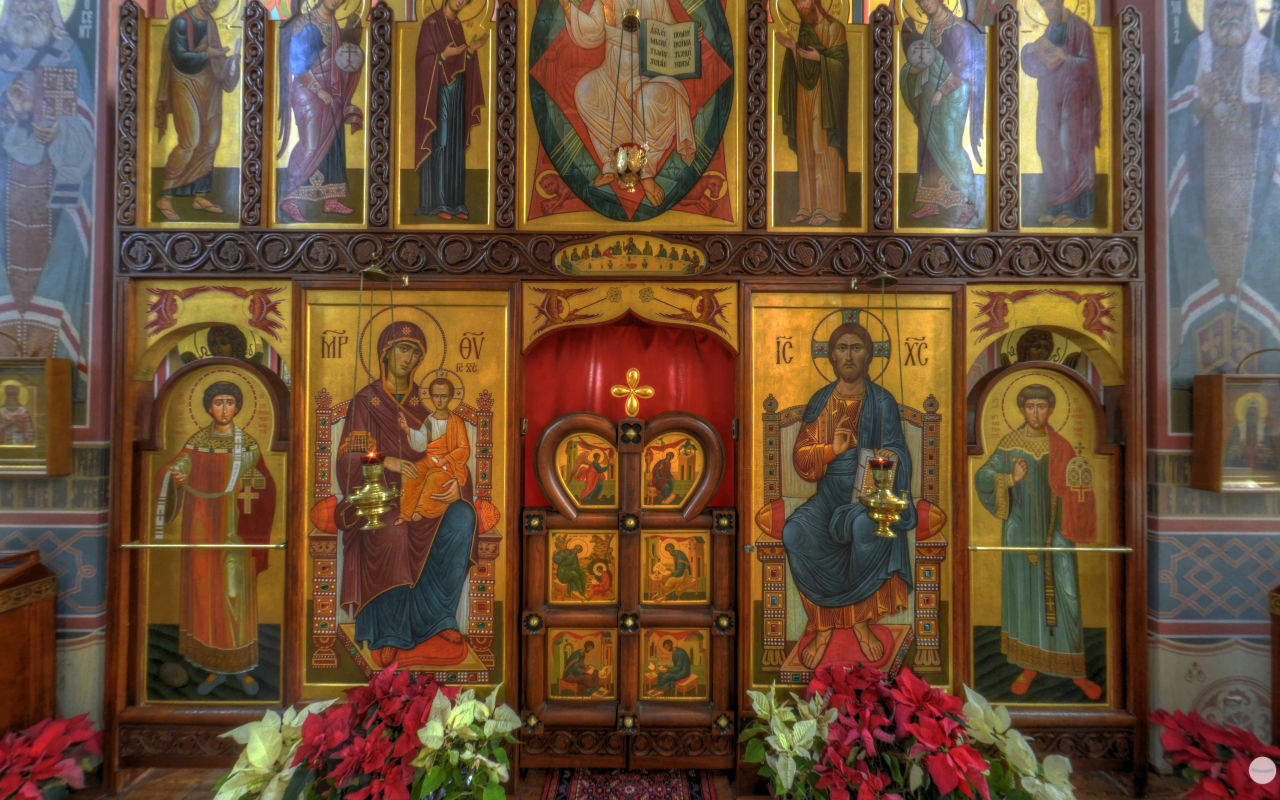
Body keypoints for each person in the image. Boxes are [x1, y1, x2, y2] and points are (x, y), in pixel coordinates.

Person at [336, 322, 478, 669]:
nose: (409, 358)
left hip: (430, 491)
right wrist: (385, 461)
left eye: (415, 353)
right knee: (392, 531)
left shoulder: (426, 402)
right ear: (385, 353)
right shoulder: (365, 402)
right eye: (403, 349)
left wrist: (457, 485)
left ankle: (439, 618)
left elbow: (452, 452)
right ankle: (390, 633)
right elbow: (347, 460)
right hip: (380, 496)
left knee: (463, 516)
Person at [781, 321, 917, 669]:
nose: (849, 355)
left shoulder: (882, 401)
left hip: (867, 493)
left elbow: (899, 451)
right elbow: (802, 462)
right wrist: (831, 449)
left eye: (856, 348)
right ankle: (823, 625)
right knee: (794, 531)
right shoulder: (822, 400)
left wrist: (884, 460)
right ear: (830, 355)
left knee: (863, 528)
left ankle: (860, 623)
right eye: (842, 348)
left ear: (869, 354)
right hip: (828, 495)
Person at [1167, 0, 1280, 386]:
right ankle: (1201, 354)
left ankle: (1264, 355)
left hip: (1257, 188)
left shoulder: (1270, 54)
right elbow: (1174, 122)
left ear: (1251, 15)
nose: (1228, 18)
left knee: (1258, 256)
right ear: (1208, 14)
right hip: (1207, 188)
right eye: (1220, 12)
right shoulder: (1195, 55)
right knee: (1210, 258)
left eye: (1237, 11)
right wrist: (1200, 104)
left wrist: (1274, 100)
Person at [974, 384, 1101, 700]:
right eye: (1029, 406)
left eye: (1041, 406)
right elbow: (982, 476)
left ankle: (1075, 669)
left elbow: (1078, 487)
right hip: (1020, 532)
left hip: (1057, 531)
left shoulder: (1062, 446)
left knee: (1066, 594)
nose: (1035, 413)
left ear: (1051, 410)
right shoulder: (1009, 444)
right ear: (1021, 410)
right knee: (1025, 596)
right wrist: (1010, 478)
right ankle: (1028, 666)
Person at [154, 381, 276, 696]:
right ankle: (212, 667)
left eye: (229, 402)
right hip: (201, 530)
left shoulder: (247, 445)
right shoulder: (197, 442)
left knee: (234, 592)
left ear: (238, 407)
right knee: (204, 591)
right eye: (218, 402)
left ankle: (240, 667)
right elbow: (175, 467)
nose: (224, 409)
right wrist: (176, 477)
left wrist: (255, 503)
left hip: (237, 532)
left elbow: (265, 484)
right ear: (208, 407)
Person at [0, 0, 94, 379]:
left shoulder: (67, 56)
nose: (28, 7)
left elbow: (86, 128)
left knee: (53, 277)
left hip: (56, 200)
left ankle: (56, 377)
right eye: (20, 1)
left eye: (37, 1)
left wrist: (57, 129)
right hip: (5, 197)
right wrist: (11, 114)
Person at [558, 0, 696, 207]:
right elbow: (592, 33)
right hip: (610, 78)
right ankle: (613, 163)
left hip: (650, 78)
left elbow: (670, 33)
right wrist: (567, 7)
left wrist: (689, 38)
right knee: (585, 91)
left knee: (648, 99)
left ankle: (646, 172)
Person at [276, 0, 364, 223]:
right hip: (308, 92)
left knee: (334, 142)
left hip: (331, 94)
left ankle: (331, 199)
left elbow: (339, 60)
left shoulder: (333, 24)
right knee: (311, 144)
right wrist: (319, 90)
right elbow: (298, 66)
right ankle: (290, 198)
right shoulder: (306, 24)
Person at [900, 0, 985, 227]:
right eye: (920, 2)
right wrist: (913, 69)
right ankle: (931, 201)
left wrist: (942, 91)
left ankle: (968, 203)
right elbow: (924, 61)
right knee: (927, 144)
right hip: (930, 93)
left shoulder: (959, 28)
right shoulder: (929, 28)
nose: (925, 4)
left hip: (953, 94)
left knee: (950, 146)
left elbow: (964, 66)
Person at [154, 0, 240, 221]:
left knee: (210, 140)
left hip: (209, 86)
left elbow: (216, 60)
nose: (213, 2)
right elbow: (180, 57)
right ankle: (165, 197)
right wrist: (207, 54)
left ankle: (200, 195)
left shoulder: (210, 22)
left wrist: (230, 62)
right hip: (184, 84)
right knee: (189, 141)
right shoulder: (181, 22)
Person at [1020, 0, 1100, 227]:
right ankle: (1056, 206)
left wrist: (1063, 56)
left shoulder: (1081, 28)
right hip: (1051, 99)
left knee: (1070, 148)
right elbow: (1042, 58)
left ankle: (1075, 209)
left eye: (1050, 5)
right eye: (1043, 6)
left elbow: (1089, 66)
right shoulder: (1050, 30)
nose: (1047, 10)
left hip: (1074, 102)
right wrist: (1032, 53)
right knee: (1047, 145)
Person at [776, 0, 849, 226]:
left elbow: (841, 66)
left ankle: (826, 207)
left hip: (826, 98)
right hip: (804, 96)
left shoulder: (835, 28)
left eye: (802, 1)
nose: (799, 7)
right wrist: (792, 47)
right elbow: (802, 66)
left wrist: (820, 59)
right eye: (796, 3)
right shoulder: (804, 29)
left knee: (822, 146)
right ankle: (807, 206)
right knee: (806, 147)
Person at [414, 0, 485, 220]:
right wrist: (443, 55)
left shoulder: (457, 25)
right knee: (442, 141)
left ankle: (456, 203)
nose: (461, 1)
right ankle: (438, 202)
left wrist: (470, 51)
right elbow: (423, 61)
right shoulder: (431, 23)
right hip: (439, 94)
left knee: (455, 144)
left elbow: (460, 62)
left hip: (457, 92)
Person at [398, 376, 470, 521]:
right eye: (436, 396)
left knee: (435, 478)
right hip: (429, 460)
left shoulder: (457, 422)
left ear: (450, 397)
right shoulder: (429, 420)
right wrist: (407, 429)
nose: (439, 400)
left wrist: (446, 459)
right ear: (431, 397)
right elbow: (421, 443)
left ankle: (422, 511)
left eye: (443, 396)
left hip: (449, 466)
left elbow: (464, 448)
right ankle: (405, 513)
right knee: (411, 474)